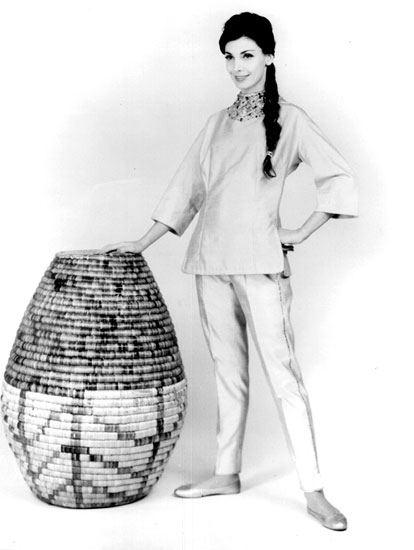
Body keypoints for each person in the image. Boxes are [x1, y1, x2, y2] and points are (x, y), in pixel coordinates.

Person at [100, 12, 358, 531]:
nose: (237, 66)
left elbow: (339, 177)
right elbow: (187, 190)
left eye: (247, 55)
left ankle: (314, 492)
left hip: (261, 265)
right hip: (210, 262)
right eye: (229, 57)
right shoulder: (216, 124)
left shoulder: (291, 120)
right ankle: (226, 473)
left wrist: (299, 231)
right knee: (227, 372)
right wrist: (142, 243)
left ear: (268, 56)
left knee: (285, 378)